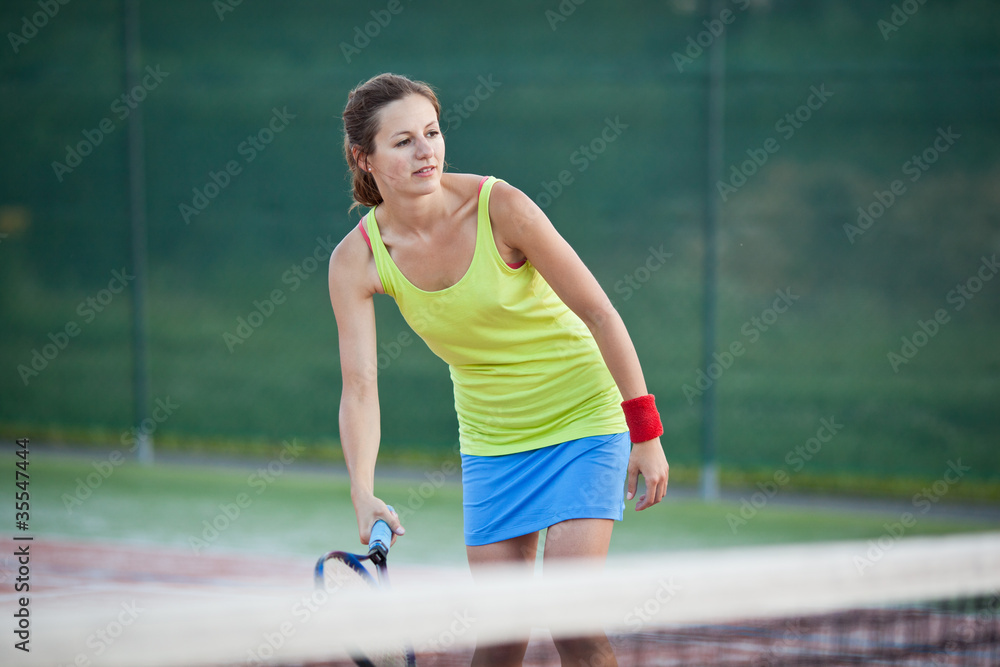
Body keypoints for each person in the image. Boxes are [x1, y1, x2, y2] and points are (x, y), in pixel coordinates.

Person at [328, 72, 669, 667]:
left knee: (574, 625)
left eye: (432, 132)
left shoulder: (500, 207)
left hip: (583, 419)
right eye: (403, 140)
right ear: (365, 157)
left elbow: (599, 311)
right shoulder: (356, 259)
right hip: (493, 442)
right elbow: (359, 388)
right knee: (500, 639)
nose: (426, 150)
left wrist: (645, 432)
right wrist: (362, 490)